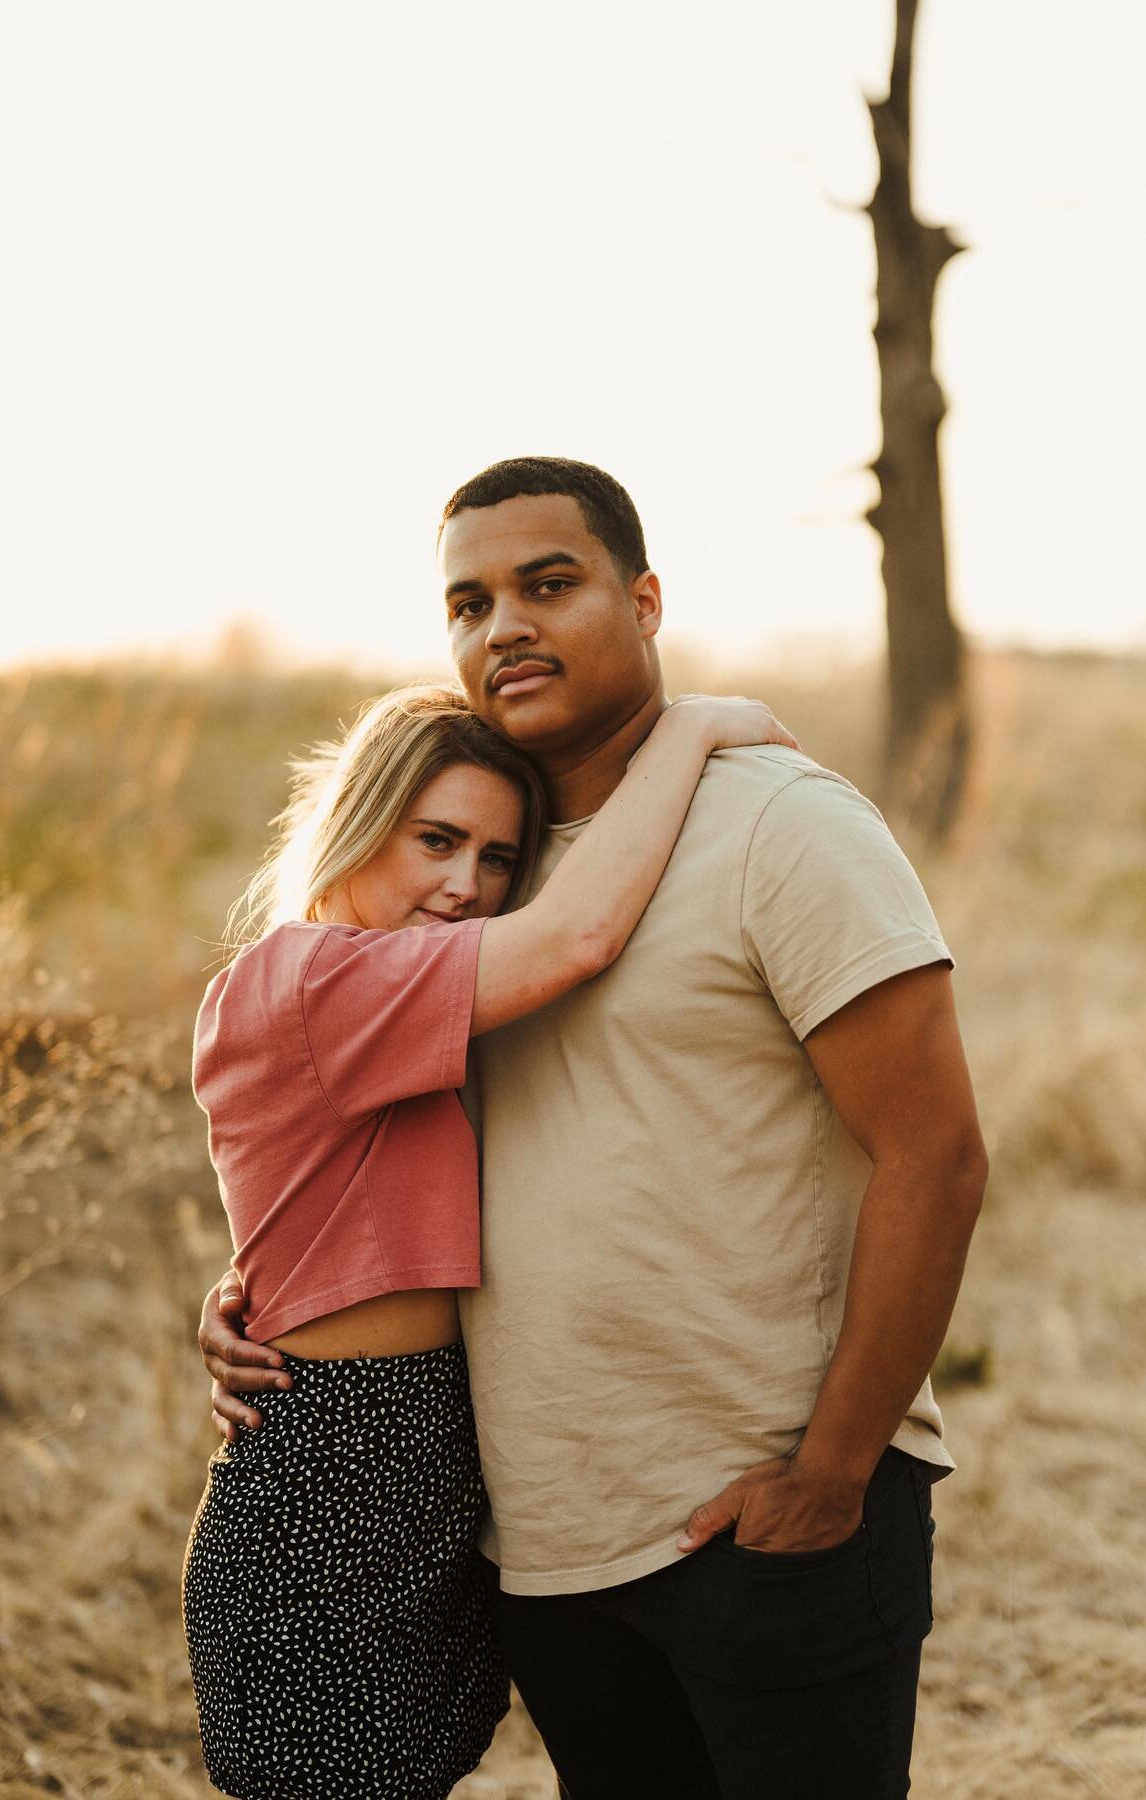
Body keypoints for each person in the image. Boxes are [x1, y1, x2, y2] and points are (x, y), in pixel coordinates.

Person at [199, 457, 987, 1799]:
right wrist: (252, 1289)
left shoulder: (781, 825)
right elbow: (371, 1148)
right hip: (538, 1538)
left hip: (762, 1514)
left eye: (548, 585)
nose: (502, 625)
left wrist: (835, 1469)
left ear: (644, 599)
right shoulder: (491, 884)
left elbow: (939, 1154)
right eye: (467, 603)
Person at [182, 680, 796, 1799]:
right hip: (334, 1473)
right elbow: (582, 933)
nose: (466, 887)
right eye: (436, 841)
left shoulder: (411, 997)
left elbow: (328, 1194)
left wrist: (238, 1291)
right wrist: (694, 729)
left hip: (435, 1465)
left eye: (500, 860)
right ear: (359, 819)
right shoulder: (311, 971)